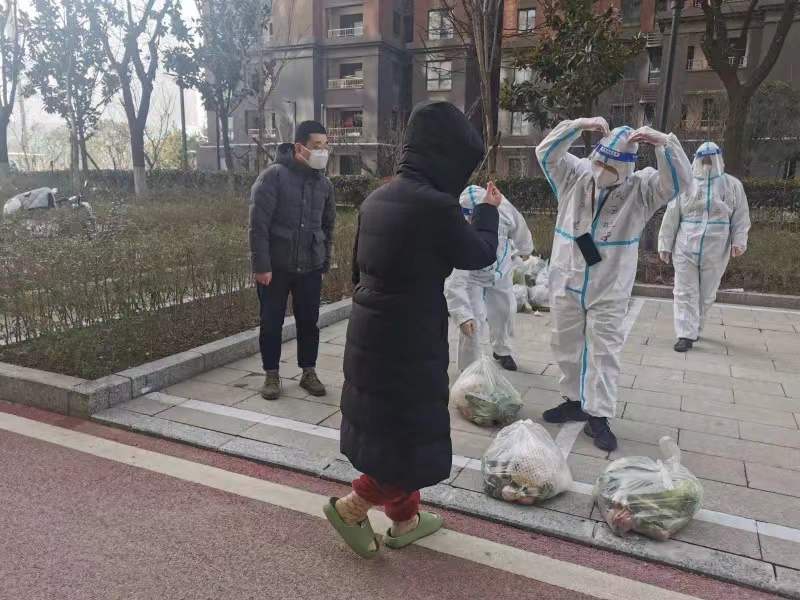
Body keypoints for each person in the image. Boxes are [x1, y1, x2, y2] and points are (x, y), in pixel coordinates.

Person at [323, 101, 501, 558]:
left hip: (369, 325)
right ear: (446, 157)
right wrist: (488, 211)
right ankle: (351, 508)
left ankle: (405, 520)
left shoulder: (376, 199)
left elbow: (357, 269)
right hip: (410, 335)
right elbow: (479, 254)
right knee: (406, 437)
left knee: (389, 429)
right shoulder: (436, 206)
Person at [536, 118, 694, 451]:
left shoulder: (641, 190)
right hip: (566, 278)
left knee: (604, 351)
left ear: (627, 168)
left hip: (609, 286)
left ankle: (598, 415)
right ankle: (574, 401)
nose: (601, 170)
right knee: (565, 343)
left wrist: (665, 143)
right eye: (599, 161)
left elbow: (680, 182)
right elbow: (545, 153)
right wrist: (577, 125)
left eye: (610, 166)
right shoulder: (575, 175)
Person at [248, 121, 336, 401]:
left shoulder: (324, 184)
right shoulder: (273, 177)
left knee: (309, 322)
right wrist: (262, 266)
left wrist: (324, 263)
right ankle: (271, 374)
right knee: (271, 322)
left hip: (310, 266)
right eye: (317, 145)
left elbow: (328, 227)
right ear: (300, 147)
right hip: (276, 267)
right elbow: (258, 225)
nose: (323, 151)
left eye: (325, 145)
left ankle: (308, 371)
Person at [658, 141, 751, 352]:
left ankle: (696, 326)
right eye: (703, 159)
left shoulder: (732, 185)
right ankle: (685, 334)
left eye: (711, 159)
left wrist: (739, 241)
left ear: (719, 159)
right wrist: (665, 243)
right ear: (697, 160)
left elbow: (741, 216)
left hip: (716, 247)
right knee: (684, 291)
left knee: (707, 293)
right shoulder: (686, 184)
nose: (707, 163)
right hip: (685, 245)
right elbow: (672, 214)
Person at [445, 185, 534, 372]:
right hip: (471, 277)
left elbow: (520, 228)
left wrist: (525, 248)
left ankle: (502, 350)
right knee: (472, 323)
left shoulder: (504, 209)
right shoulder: (457, 227)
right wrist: (463, 316)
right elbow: (454, 281)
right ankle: (470, 371)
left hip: (500, 272)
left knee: (505, 311)